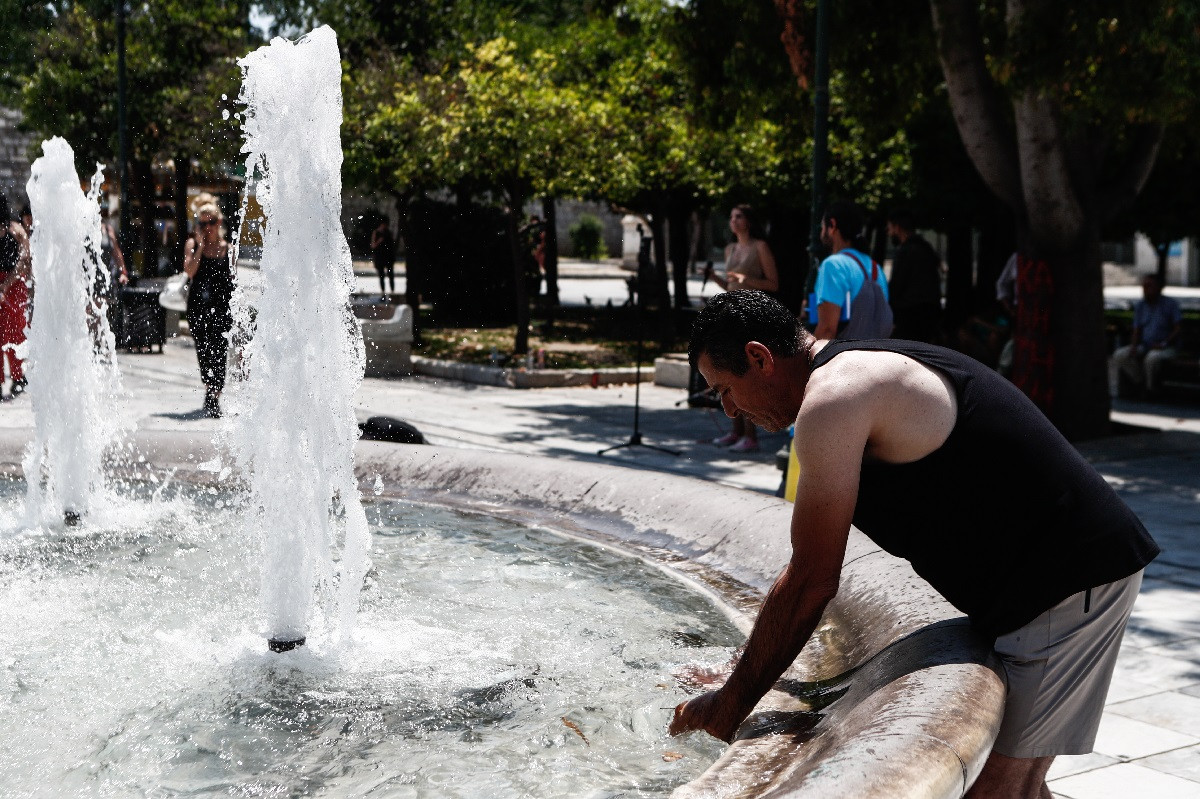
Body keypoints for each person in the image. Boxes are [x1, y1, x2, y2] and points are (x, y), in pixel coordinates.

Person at [672, 290, 1159, 799]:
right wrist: (748, 672)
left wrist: (727, 708)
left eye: (725, 390)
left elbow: (812, 580)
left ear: (758, 357)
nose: (729, 411)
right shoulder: (852, 370)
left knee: (998, 792)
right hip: (1046, 580)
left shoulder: (835, 398)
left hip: (1067, 578)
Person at [706, 205, 779, 453]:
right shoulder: (730, 248)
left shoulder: (760, 247)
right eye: (731, 216)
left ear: (748, 221)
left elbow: (773, 283)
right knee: (729, 372)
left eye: (738, 216)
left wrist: (744, 280)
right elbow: (729, 284)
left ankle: (751, 435)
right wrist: (714, 277)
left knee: (746, 374)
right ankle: (735, 431)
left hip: (751, 315)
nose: (733, 221)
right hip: (731, 315)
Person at [810, 200, 892, 341]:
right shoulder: (875, 268)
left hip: (845, 358)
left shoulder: (833, 265)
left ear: (832, 225)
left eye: (822, 226)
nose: (821, 231)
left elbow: (827, 330)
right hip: (877, 358)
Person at [182, 203, 235, 418]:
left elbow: (234, 280)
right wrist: (201, 248)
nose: (207, 227)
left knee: (220, 351)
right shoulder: (193, 245)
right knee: (204, 351)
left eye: (211, 222)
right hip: (198, 308)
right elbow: (189, 271)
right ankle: (209, 389)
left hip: (222, 308)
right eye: (203, 223)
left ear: (219, 222)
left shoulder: (228, 249)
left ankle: (215, 393)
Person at [1109, 274, 1182, 399]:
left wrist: (1164, 343)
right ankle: (1140, 382)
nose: (1145, 289)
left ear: (1159, 287)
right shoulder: (1140, 306)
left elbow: (1178, 328)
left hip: (1166, 346)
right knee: (1120, 355)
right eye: (1144, 286)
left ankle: (1150, 389)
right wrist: (1133, 345)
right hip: (1146, 344)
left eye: (1149, 286)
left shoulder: (1170, 305)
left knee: (1151, 358)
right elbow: (1137, 329)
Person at [885, 208, 942, 343]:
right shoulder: (926, 248)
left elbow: (897, 286)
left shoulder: (905, 251)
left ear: (897, 227)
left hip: (908, 316)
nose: (889, 233)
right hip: (929, 315)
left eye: (890, 228)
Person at [0, 195, 31, 400]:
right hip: (7, 284)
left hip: (14, 285)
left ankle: (19, 377)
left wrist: (5, 285)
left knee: (14, 333)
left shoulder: (16, 231)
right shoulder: (15, 230)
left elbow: (25, 260)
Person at [369, 217, 396, 298]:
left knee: (390, 274)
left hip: (388, 257)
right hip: (380, 257)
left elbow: (392, 245)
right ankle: (383, 292)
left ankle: (392, 292)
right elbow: (373, 245)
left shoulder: (388, 233)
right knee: (381, 275)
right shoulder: (376, 232)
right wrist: (379, 241)